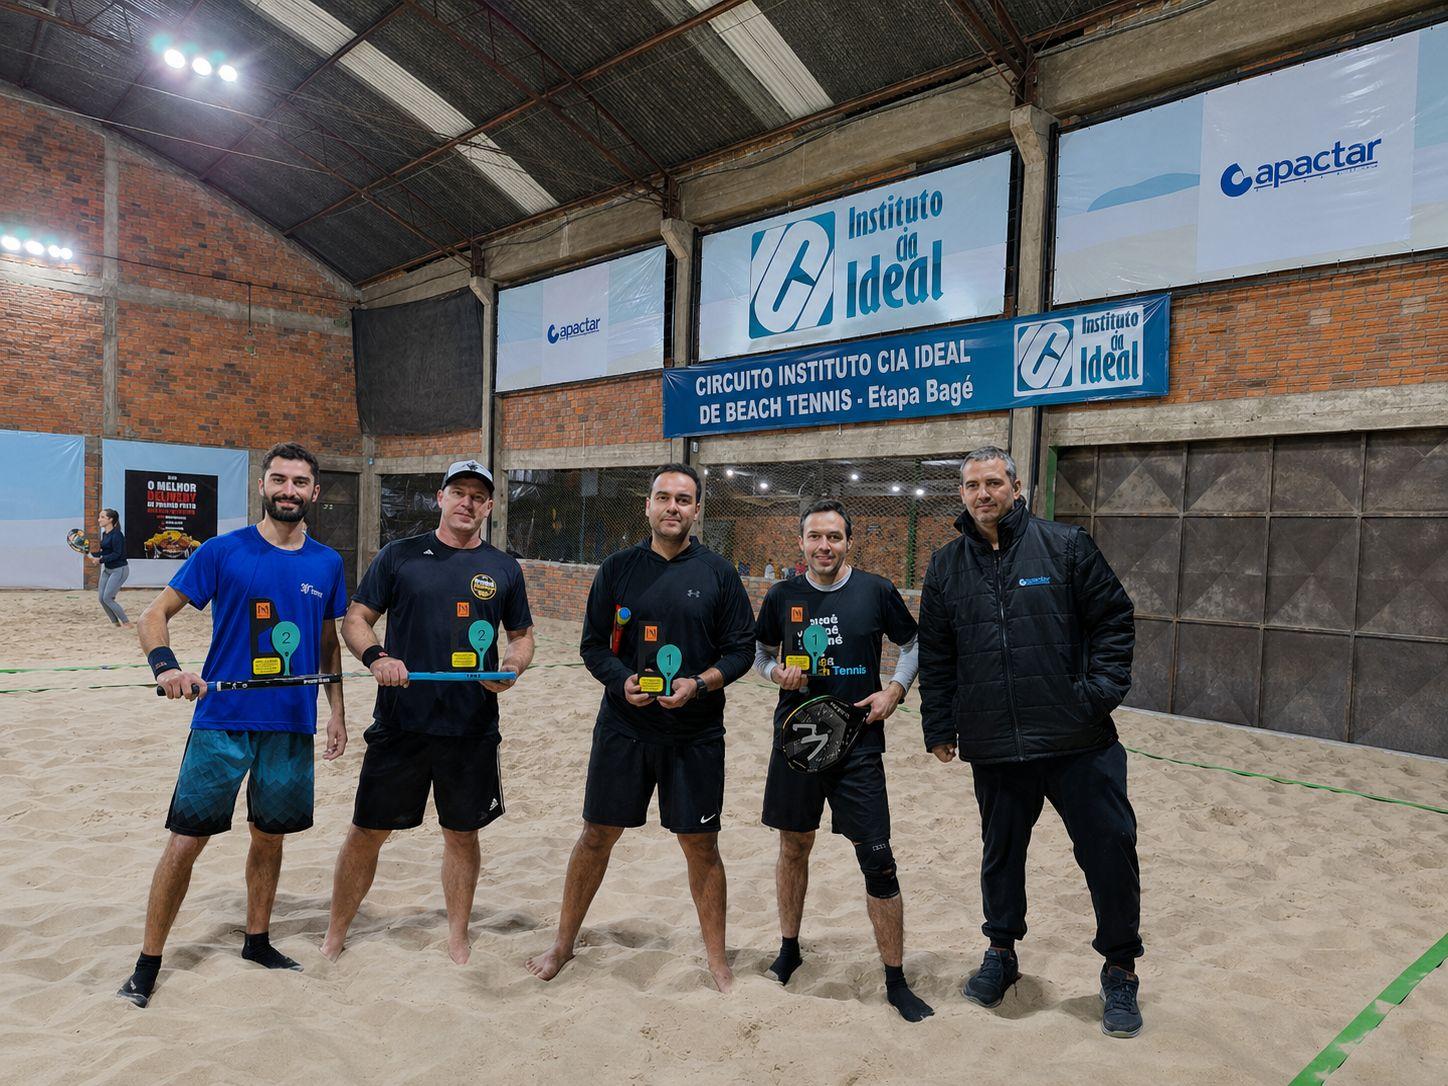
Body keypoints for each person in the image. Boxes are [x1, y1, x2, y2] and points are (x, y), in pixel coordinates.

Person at [917, 446, 1142, 1038]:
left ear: (1017, 488)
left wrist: (1095, 694)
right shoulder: (945, 567)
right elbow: (937, 655)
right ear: (961, 494)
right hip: (995, 743)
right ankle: (1001, 952)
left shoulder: (1065, 546)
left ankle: (1120, 969)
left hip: (1078, 740)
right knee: (1001, 855)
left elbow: (1114, 619)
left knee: (1110, 850)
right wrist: (939, 726)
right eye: (972, 485)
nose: (983, 493)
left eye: (994, 482)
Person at [118, 442, 347, 1008]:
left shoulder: (328, 563)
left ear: (315, 492)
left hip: (291, 724)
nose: (289, 490)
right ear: (262, 486)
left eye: (300, 482)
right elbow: (153, 615)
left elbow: (328, 644)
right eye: (279, 479)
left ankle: (257, 940)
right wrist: (167, 668)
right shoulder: (222, 551)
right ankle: (147, 963)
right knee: (186, 841)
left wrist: (337, 711)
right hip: (221, 722)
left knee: (269, 836)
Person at [526, 463, 754, 992]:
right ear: (647, 506)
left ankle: (717, 960)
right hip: (624, 728)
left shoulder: (719, 573)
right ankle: (563, 943)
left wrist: (699, 683)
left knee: (701, 845)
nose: (673, 507)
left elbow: (741, 650)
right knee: (596, 836)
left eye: (683, 499)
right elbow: (592, 646)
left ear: (697, 510)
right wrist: (621, 679)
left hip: (695, 734)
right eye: (663, 497)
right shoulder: (618, 569)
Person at [322, 459, 534, 965]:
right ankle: (334, 933)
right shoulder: (399, 556)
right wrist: (378, 657)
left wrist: (511, 667)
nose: (467, 502)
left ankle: (457, 936)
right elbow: (356, 619)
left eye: (477, 496)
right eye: (458, 492)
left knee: (462, 833)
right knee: (367, 831)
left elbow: (522, 636)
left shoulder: (504, 568)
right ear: (440, 498)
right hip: (402, 722)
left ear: (489, 506)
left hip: (471, 725)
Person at [754, 499, 933, 1022]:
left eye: (834, 537)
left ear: (848, 542)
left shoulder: (876, 590)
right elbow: (760, 654)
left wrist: (895, 690)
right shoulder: (782, 595)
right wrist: (775, 674)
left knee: (877, 858)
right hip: (798, 741)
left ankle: (895, 980)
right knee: (794, 846)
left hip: (859, 742)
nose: (824, 546)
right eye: (815, 536)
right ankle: (789, 949)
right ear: (801, 542)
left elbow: (914, 643)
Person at [88, 508, 132, 628]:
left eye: (102, 517)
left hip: (119, 570)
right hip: (107, 570)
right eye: (99, 517)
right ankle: (115, 623)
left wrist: (100, 560)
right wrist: (91, 554)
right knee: (101, 599)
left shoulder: (117, 535)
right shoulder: (105, 534)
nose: (99, 520)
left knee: (108, 598)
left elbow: (117, 554)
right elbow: (105, 552)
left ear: (110, 519)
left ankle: (127, 623)